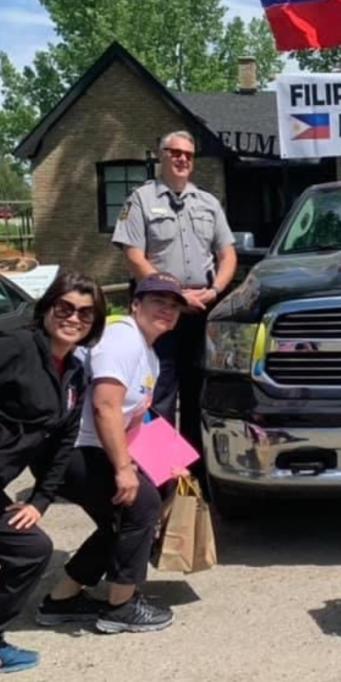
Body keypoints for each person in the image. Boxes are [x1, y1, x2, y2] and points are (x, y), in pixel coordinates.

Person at [36, 273, 185, 634]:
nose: (166, 309)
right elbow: (105, 406)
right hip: (66, 451)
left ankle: (62, 600)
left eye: (173, 305)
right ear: (135, 305)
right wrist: (123, 469)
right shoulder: (123, 336)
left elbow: (134, 418)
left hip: (90, 446)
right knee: (141, 505)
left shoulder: (149, 356)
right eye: (156, 302)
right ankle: (121, 605)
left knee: (125, 515)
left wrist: (168, 461)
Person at [0, 272, 106, 672]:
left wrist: (41, 499)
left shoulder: (74, 371)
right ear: (47, 308)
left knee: (30, 550)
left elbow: (63, 442)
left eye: (85, 313)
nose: (73, 318)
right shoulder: (15, 347)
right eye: (64, 308)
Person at [112, 130, 237, 461]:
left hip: (201, 312)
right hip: (160, 313)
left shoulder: (208, 203)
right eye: (175, 152)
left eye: (189, 155)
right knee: (157, 392)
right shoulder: (140, 200)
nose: (182, 159)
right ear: (161, 155)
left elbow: (228, 255)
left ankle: (194, 473)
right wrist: (176, 295)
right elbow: (135, 256)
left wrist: (214, 291)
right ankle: (163, 475)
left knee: (199, 392)